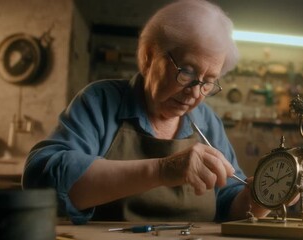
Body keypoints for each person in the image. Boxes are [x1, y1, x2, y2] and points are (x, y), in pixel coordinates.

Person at [22, 0, 271, 224]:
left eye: (208, 81)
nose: (195, 92)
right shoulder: (100, 101)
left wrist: (260, 199)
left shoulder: (208, 122)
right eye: (187, 71)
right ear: (149, 55)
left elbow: (229, 202)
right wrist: (162, 170)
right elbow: (41, 178)